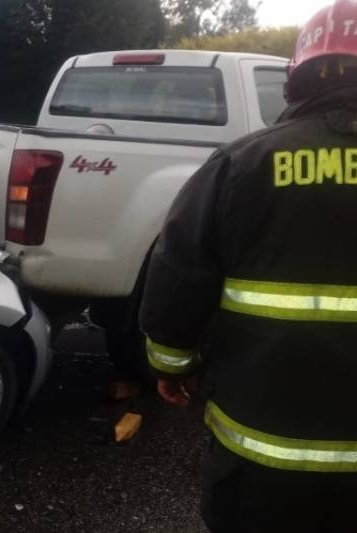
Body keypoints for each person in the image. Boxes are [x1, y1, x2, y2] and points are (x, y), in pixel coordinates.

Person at [139, 2, 357, 532]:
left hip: (258, 469)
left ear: (296, 80)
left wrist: (171, 367)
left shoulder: (241, 164)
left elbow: (180, 274)